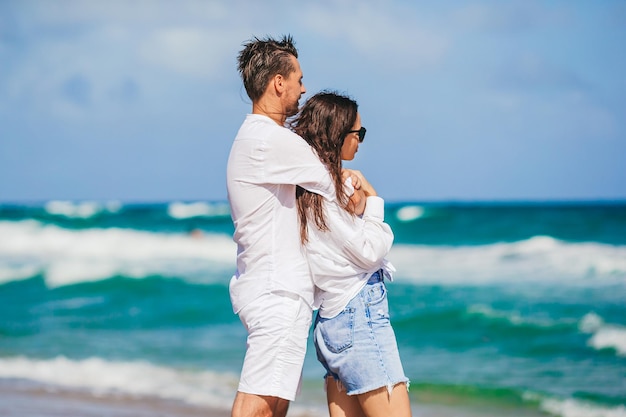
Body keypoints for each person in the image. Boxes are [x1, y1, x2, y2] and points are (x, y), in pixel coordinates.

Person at [226, 36, 361, 417]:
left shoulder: (258, 138)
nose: (304, 88)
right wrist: (362, 185)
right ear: (278, 83)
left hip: (270, 287)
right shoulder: (271, 140)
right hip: (277, 292)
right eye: (298, 79)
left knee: (272, 404)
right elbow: (334, 185)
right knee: (261, 407)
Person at [293, 91, 412, 417]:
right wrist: (373, 200)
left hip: (330, 321)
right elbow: (370, 251)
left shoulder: (303, 190)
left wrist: (356, 203)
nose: (360, 140)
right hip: (358, 315)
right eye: (357, 133)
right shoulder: (327, 190)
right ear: (337, 134)